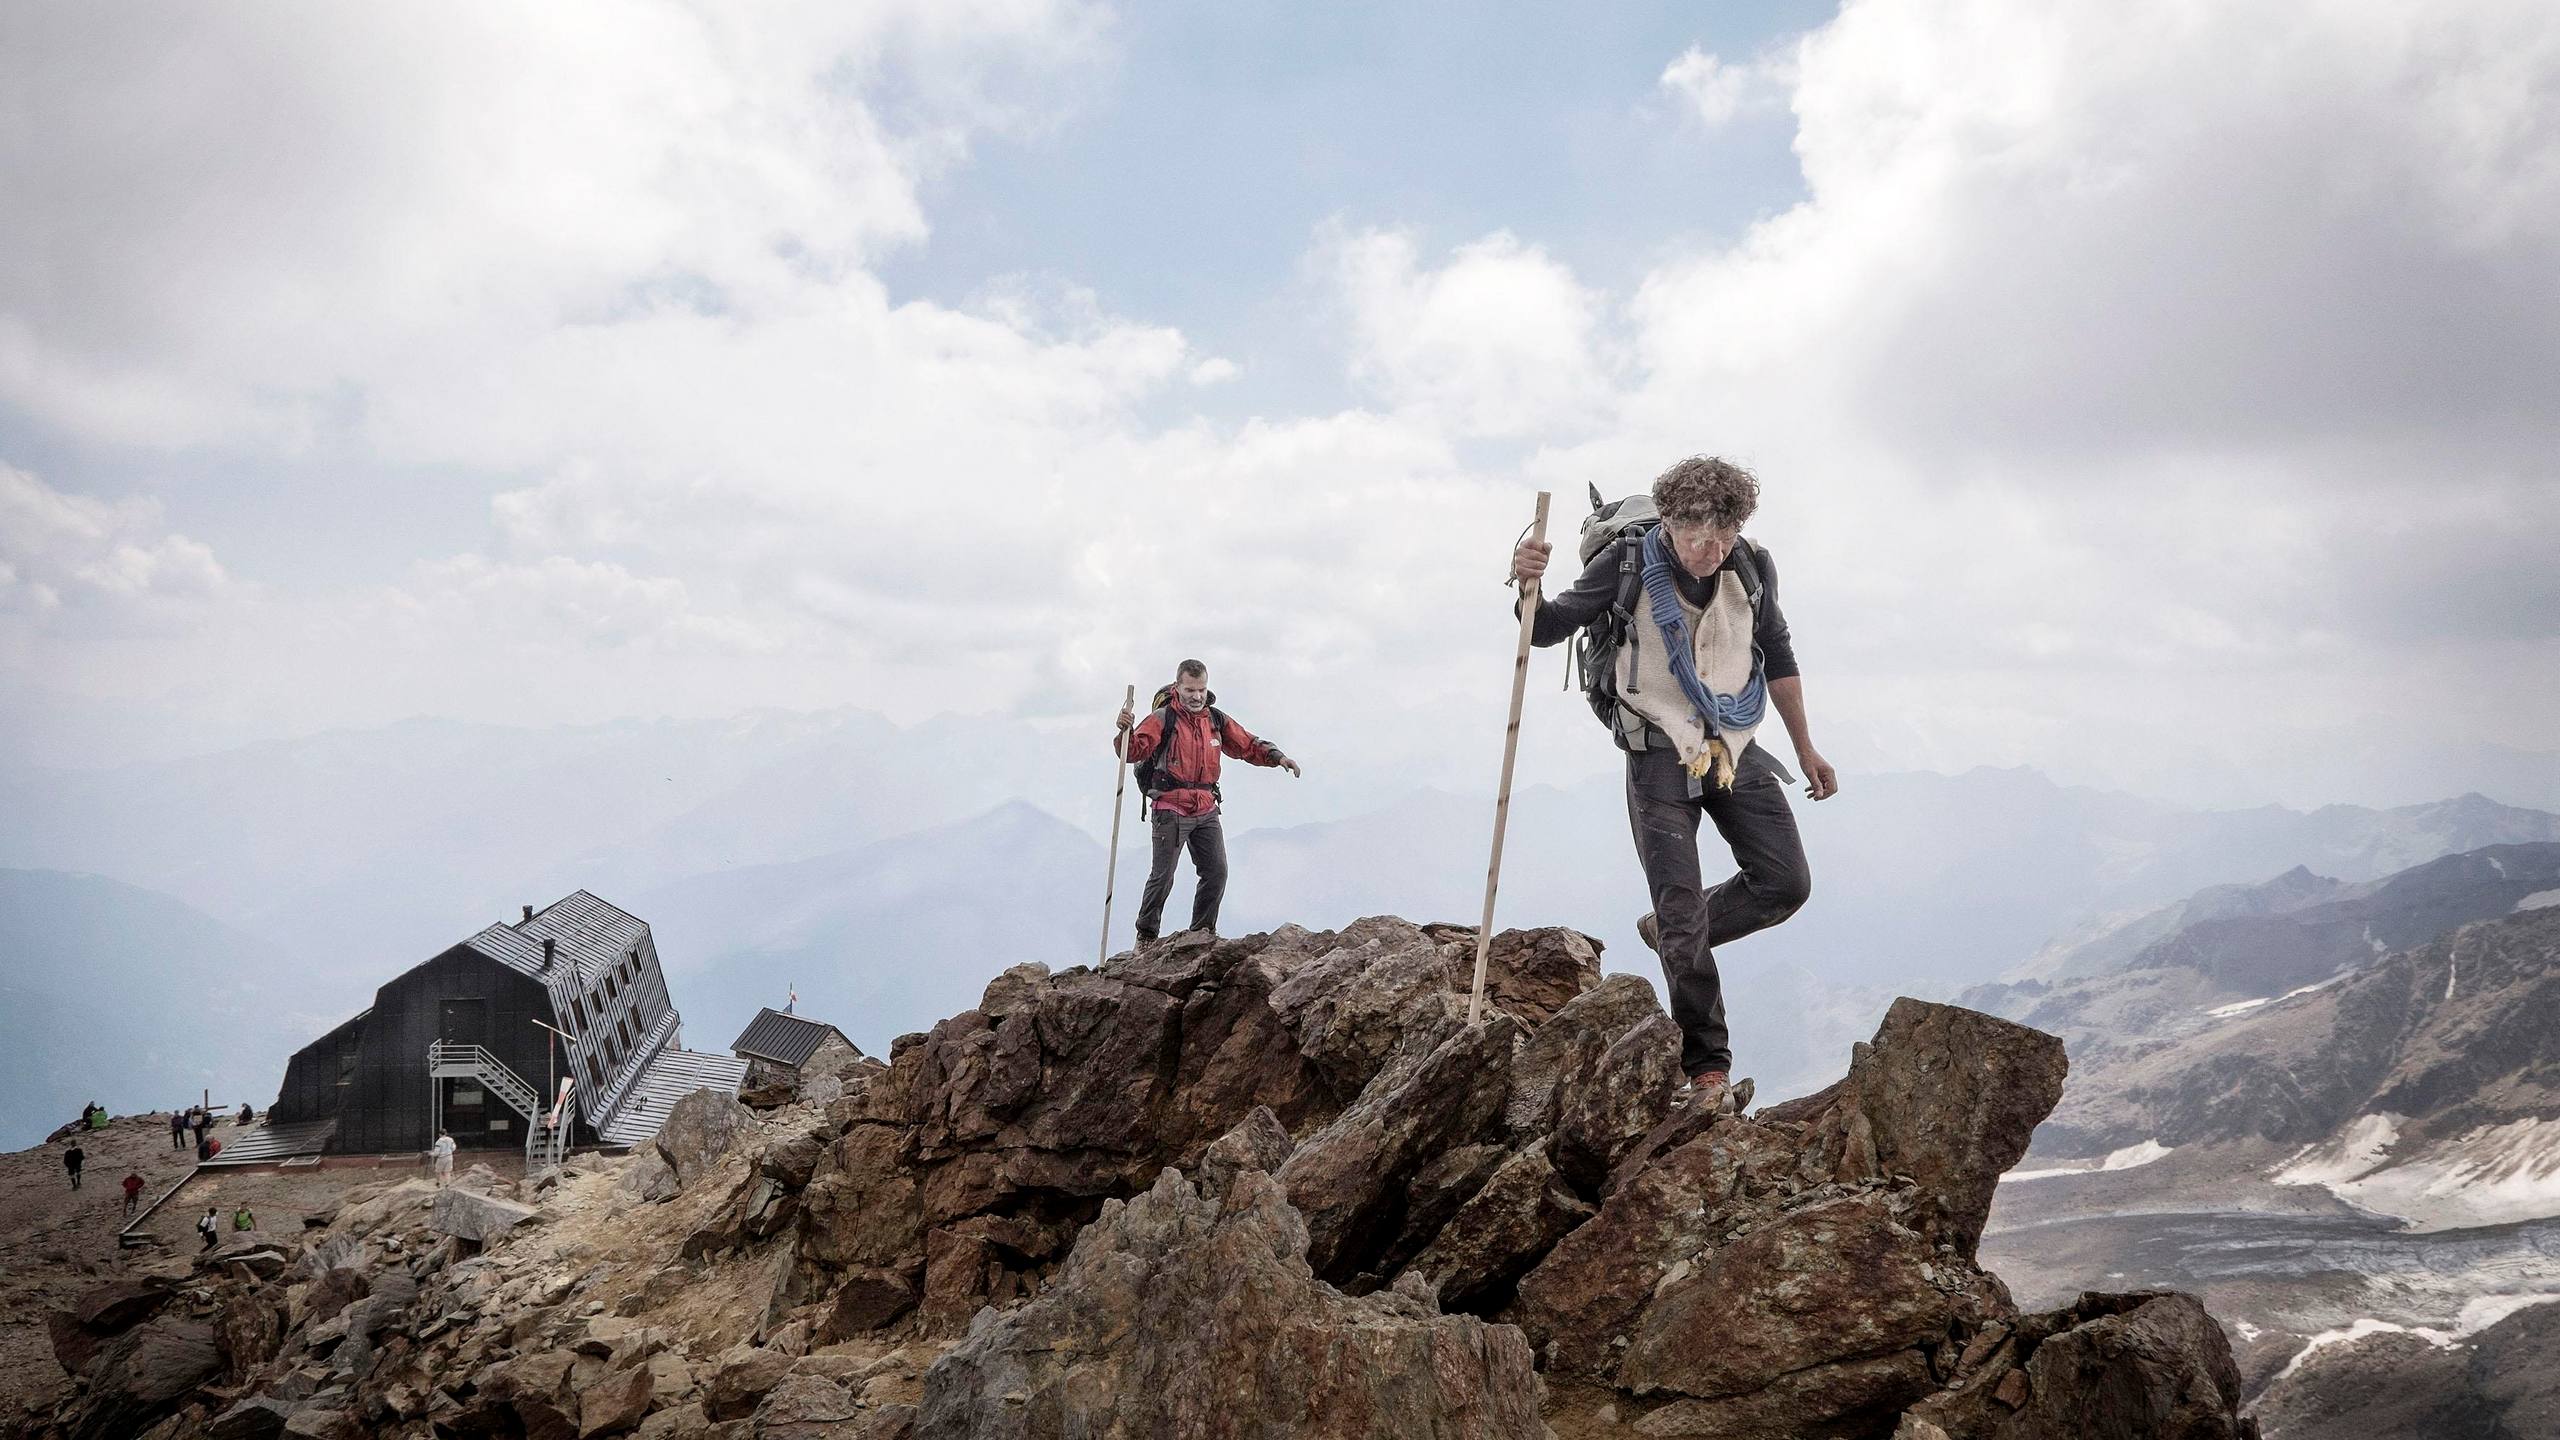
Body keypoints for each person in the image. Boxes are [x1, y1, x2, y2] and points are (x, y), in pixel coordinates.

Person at [1510, 456, 1838, 1116]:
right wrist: (1526, 585)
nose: (1709, 553)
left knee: (1785, 884)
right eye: (1696, 538)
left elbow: (1777, 651)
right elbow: (1547, 629)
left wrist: (1806, 748)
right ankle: (1707, 1070)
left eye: (1722, 537)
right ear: (1669, 521)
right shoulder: (1627, 563)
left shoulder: (1752, 565)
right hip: (1656, 748)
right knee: (1684, 914)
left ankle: (1670, 931)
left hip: (1731, 740)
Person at [1113, 659, 1301, 943]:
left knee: (1216, 872)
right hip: (1170, 807)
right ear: (1178, 687)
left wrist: (1277, 757)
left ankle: (1201, 934)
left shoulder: (1215, 720)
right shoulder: (1163, 718)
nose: (1196, 696)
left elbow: (1247, 744)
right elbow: (1133, 752)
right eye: (1190, 689)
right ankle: (1147, 936)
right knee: (1163, 877)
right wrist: (1124, 732)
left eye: (1201, 689)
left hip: (1206, 808)